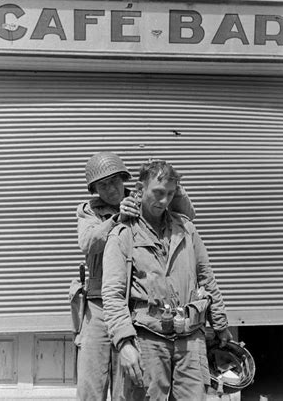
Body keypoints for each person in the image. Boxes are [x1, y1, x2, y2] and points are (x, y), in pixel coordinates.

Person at [101, 160, 232, 400]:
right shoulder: (123, 234)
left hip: (190, 339)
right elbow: (113, 294)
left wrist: (221, 324)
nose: (163, 201)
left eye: (170, 194)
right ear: (140, 189)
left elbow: (207, 277)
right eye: (158, 193)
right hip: (147, 338)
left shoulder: (186, 229)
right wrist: (124, 343)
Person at [75, 152, 195, 401]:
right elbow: (87, 243)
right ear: (94, 189)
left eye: (114, 181)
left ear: (123, 179)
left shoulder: (144, 197)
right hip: (97, 306)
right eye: (102, 185)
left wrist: (171, 182)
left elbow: (187, 216)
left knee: (128, 385)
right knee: (90, 385)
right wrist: (117, 218)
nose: (110, 189)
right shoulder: (90, 211)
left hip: (130, 307)